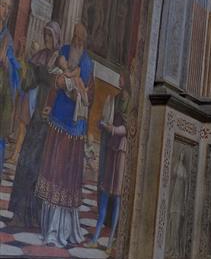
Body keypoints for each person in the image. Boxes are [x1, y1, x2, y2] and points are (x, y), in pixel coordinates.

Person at [35, 23, 92, 247]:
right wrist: (64, 84)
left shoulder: (86, 62)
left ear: (84, 41)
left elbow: (82, 91)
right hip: (58, 120)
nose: (77, 40)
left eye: (81, 38)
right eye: (75, 36)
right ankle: (48, 228)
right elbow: (56, 79)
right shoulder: (65, 51)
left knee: (65, 176)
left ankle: (62, 229)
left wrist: (69, 83)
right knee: (52, 171)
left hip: (74, 127)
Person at [8, 22, 60, 228]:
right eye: (45, 35)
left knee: (41, 171)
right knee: (26, 165)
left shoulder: (60, 61)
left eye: (50, 36)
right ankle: (19, 214)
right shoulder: (39, 58)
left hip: (50, 123)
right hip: (36, 119)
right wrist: (28, 70)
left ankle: (35, 218)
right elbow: (27, 83)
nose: (47, 39)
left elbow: (64, 91)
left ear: (56, 37)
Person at [94, 89, 129, 246]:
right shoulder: (115, 99)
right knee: (105, 191)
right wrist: (104, 125)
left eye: (123, 78)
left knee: (116, 195)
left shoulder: (130, 104)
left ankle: (110, 241)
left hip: (121, 149)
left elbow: (128, 127)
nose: (120, 82)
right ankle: (95, 237)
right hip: (111, 146)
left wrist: (113, 129)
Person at [0, 0, 19, 171]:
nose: (5, 10)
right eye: (3, 5)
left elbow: (15, 72)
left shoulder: (8, 39)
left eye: (8, 8)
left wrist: (7, 65)